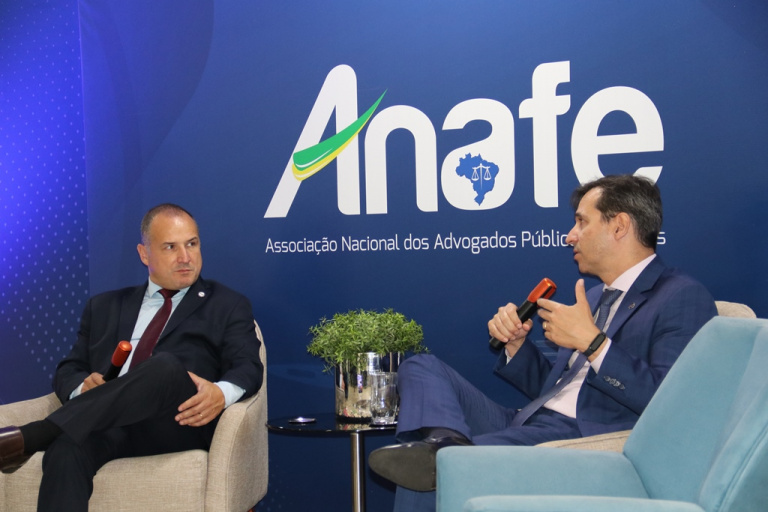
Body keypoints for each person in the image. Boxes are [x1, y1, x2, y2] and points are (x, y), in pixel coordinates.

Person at [368, 174, 717, 511]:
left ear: (619, 226)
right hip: (530, 420)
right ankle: (444, 440)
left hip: (582, 434)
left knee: (435, 468)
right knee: (420, 366)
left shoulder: (681, 296)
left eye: (581, 222)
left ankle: (442, 455)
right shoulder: (594, 296)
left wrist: (593, 343)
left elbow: (670, 405)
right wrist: (517, 346)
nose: (570, 236)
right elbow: (559, 388)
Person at [0, 203, 263, 511]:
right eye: (170, 247)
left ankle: (35, 435)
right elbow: (69, 368)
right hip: (109, 423)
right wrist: (82, 387)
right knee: (67, 447)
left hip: (178, 421)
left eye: (192, 244)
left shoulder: (227, 304)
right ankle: (53, 434)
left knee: (164, 366)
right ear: (144, 254)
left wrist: (220, 393)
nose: (185, 257)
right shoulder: (103, 307)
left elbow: (248, 365)